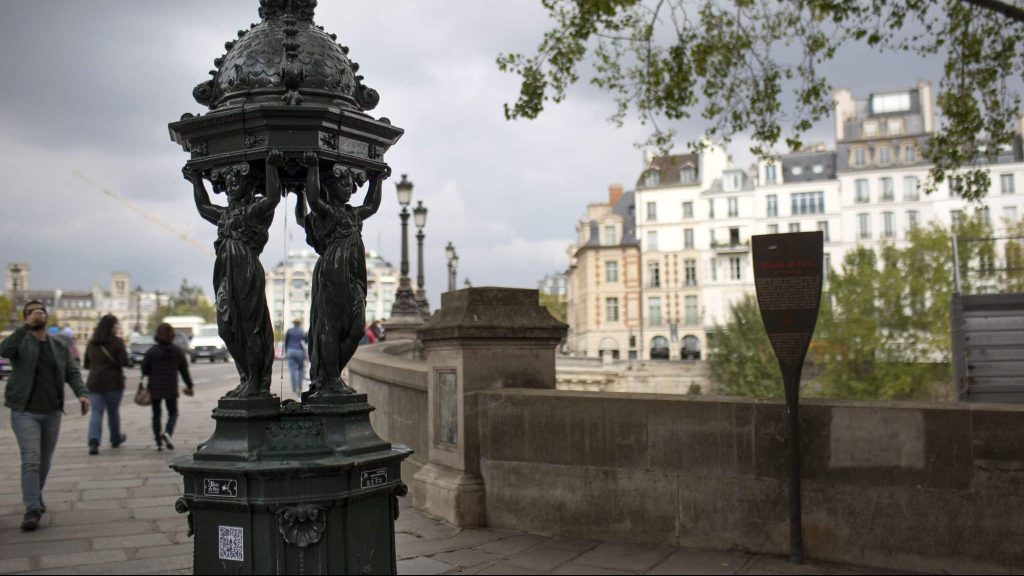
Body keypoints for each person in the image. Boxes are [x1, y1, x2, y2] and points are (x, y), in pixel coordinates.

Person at [185, 149, 283, 398]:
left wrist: (271, 167)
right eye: (228, 180)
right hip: (224, 273)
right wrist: (196, 180)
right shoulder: (226, 215)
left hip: (246, 270)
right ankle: (247, 376)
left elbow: (272, 198)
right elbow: (204, 206)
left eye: (236, 179)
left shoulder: (254, 210)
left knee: (250, 327)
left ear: (249, 185)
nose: (230, 183)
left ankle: (255, 380)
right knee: (226, 328)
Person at [297, 151, 385, 396]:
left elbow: (372, 205)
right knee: (330, 327)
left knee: (356, 328)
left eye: (349, 183)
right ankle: (331, 378)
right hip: (333, 273)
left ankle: (330, 373)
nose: (348, 187)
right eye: (341, 183)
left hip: (354, 276)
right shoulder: (327, 214)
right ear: (329, 186)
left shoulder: (351, 214)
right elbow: (313, 198)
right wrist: (313, 168)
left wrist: (378, 181)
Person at [1, 300, 90, 532]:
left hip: (51, 411)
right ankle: (32, 508)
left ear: (47, 316)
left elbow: (72, 371)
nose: (38, 313)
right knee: (31, 459)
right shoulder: (20, 341)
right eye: (31, 312)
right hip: (25, 411)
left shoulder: (58, 345)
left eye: (41, 311)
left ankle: (35, 495)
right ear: (26, 318)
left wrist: (82, 394)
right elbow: (4, 350)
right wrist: (24, 328)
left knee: (44, 461)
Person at [142, 323, 194, 451]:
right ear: (172, 335)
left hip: (154, 387)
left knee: (156, 414)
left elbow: (144, 370)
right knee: (173, 413)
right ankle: (167, 433)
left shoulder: (152, 352)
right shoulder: (177, 351)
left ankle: (158, 441)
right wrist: (189, 385)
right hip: (171, 386)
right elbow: (184, 371)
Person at [83, 315, 130, 455]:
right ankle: (115, 438)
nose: (117, 327)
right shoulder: (117, 342)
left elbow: (86, 364)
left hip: (95, 382)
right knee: (113, 411)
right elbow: (124, 362)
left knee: (96, 412)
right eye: (116, 325)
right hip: (114, 382)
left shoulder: (91, 343)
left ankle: (93, 441)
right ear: (111, 327)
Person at [284, 319, 307, 394]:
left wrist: (286, 351)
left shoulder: (289, 331)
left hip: (290, 351)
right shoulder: (301, 331)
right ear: (299, 324)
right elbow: (305, 341)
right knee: (301, 369)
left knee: (292, 370)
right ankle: (299, 386)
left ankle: (294, 388)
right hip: (299, 351)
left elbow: (286, 342)